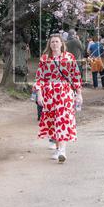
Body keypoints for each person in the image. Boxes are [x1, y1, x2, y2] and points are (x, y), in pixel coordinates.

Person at [34, 33, 82, 163]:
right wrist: (39, 94)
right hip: (49, 93)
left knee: (63, 119)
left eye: (57, 41)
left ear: (62, 44)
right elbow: (39, 77)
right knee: (53, 121)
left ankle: (62, 150)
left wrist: (79, 93)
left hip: (65, 92)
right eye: (52, 42)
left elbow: (76, 76)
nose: (54, 44)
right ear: (49, 45)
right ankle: (57, 148)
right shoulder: (45, 59)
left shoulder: (69, 57)